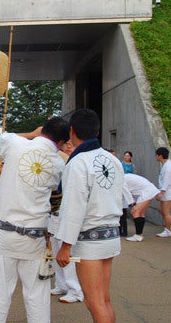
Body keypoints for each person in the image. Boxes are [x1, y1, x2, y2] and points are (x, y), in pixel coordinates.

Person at [0, 117, 70, 323]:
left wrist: (32, 134)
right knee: (37, 295)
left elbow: (1, 138)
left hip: (6, 234)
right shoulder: (59, 163)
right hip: (35, 236)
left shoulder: (16, 143)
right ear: (60, 143)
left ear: (43, 131)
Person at [56, 108, 124, 323]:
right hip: (111, 234)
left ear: (72, 131)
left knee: (94, 302)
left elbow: (73, 206)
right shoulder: (112, 159)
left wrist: (65, 246)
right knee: (103, 299)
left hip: (90, 239)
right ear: (97, 131)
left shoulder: (78, 162)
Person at [49, 140, 84, 304]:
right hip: (53, 212)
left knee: (67, 252)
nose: (69, 146)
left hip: (68, 213)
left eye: (72, 144)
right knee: (56, 249)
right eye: (66, 144)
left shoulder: (78, 163)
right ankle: (61, 284)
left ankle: (75, 289)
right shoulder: (58, 159)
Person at [124, 173, 160, 242]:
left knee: (135, 211)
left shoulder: (122, 180)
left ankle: (138, 235)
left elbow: (127, 193)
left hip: (147, 192)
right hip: (148, 190)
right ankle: (140, 235)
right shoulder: (125, 176)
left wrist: (132, 203)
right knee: (141, 213)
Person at [154, 147, 171, 238]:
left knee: (166, 211)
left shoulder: (168, 167)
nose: (155, 157)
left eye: (156, 155)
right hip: (165, 191)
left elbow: (167, 181)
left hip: (168, 192)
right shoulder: (165, 165)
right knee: (160, 209)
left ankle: (168, 231)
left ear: (160, 156)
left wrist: (162, 193)